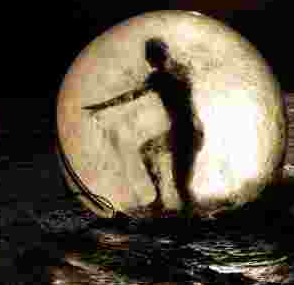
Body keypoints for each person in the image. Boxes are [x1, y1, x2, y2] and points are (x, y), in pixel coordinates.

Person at [84, 37, 204, 215]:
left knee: (181, 185)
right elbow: (133, 95)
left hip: (186, 133)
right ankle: (161, 200)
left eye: (149, 55)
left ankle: (194, 220)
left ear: (156, 56)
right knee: (147, 151)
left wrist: (101, 106)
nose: (147, 60)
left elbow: (131, 96)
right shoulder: (177, 71)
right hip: (186, 131)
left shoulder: (162, 77)